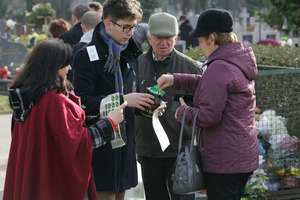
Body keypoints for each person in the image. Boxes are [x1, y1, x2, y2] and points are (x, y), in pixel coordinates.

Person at [3, 39, 127, 200]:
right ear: (54, 66)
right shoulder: (54, 102)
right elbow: (77, 144)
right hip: (54, 182)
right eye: (66, 64)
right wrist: (111, 122)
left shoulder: (27, 96)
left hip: (32, 178)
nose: (69, 68)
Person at [157, 9, 259, 200]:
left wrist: (182, 112)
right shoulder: (234, 60)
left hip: (223, 160)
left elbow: (208, 116)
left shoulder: (219, 67)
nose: (199, 44)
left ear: (212, 38)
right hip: (241, 155)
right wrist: (176, 79)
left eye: (201, 39)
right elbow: (209, 83)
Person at [72, 0, 154, 199]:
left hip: (125, 144)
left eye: (133, 27)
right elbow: (81, 101)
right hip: (101, 144)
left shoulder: (131, 52)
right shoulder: (85, 54)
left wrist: (147, 104)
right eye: (125, 27)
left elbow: (133, 93)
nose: (130, 33)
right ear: (108, 24)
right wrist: (123, 99)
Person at [135, 12, 200, 200]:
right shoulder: (136, 65)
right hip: (148, 148)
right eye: (158, 38)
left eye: (168, 39)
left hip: (180, 149)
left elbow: (200, 107)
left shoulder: (190, 67)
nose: (163, 44)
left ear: (176, 37)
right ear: (149, 38)